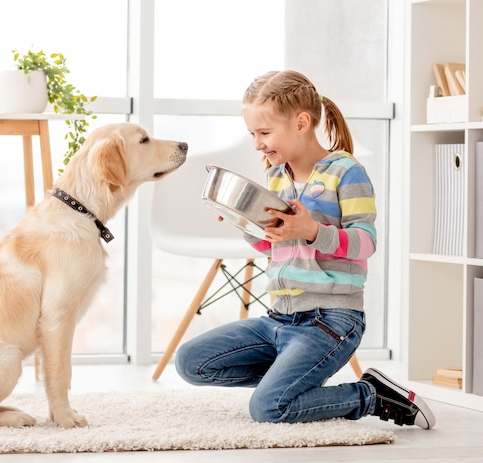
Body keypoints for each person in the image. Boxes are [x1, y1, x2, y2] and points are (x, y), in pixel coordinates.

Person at [175, 70, 435, 429]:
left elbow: (366, 243)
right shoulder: (275, 177)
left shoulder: (346, 172)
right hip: (280, 317)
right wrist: (244, 223)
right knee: (191, 362)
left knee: (268, 409)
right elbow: (272, 243)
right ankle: (295, 381)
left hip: (331, 320)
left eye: (264, 133)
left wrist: (313, 230)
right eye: (252, 134)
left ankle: (371, 395)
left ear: (301, 122)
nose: (257, 143)